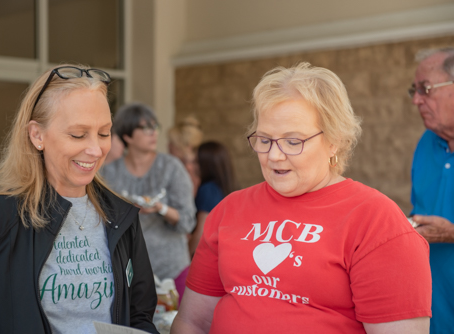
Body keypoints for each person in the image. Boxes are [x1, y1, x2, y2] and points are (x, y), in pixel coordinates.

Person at [172, 63, 432, 334]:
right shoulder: (228, 210)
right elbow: (193, 322)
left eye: (293, 141)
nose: (273, 155)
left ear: (334, 140)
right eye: (264, 139)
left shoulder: (377, 221)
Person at [0, 65, 158, 334]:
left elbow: (140, 317)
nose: (96, 149)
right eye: (78, 134)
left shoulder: (121, 216)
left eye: (104, 133)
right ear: (37, 135)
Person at [102, 103, 196, 282]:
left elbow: (187, 221)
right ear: (127, 135)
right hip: (126, 269)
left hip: (172, 269)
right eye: (146, 128)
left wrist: (160, 208)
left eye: (155, 127)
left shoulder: (172, 168)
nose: (154, 133)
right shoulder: (108, 173)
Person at [408, 47, 454, 333]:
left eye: (425, 89)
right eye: (414, 90)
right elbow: (420, 210)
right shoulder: (426, 143)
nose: (416, 100)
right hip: (435, 318)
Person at [188, 141, 238, 257]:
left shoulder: (208, 189)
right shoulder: (230, 187)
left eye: (196, 162)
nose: (192, 166)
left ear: (206, 164)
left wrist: (187, 255)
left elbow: (202, 232)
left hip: (210, 254)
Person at [167, 116, 203, 196]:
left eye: (172, 143)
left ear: (186, 146)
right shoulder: (192, 164)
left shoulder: (188, 168)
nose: (168, 146)